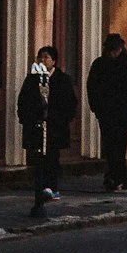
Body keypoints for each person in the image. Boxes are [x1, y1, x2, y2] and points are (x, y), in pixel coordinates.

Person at [87, 31, 127, 193]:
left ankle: (118, 178)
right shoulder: (100, 64)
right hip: (106, 113)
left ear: (121, 48)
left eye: (115, 49)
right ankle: (112, 177)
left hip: (122, 113)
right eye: (110, 50)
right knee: (109, 146)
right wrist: (96, 107)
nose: (112, 53)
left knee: (119, 147)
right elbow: (91, 86)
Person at [36, 44, 78, 198]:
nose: (42, 60)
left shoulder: (63, 80)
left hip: (55, 125)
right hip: (39, 124)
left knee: (52, 157)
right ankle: (40, 186)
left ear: (54, 61)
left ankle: (52, 186)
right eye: (40, 57)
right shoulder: (34, 79)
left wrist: (62, 119)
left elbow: (71, 102)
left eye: (46, 57)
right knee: (39, 157)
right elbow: (25, 99)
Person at [16, 59, 50, 217]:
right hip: (36, 128)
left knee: (44, 163)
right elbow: (24, 103)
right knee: (38, 163)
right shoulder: (32, 84)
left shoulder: (53, 82)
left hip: (46, 130)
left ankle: (43, 195)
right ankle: (39, 199)